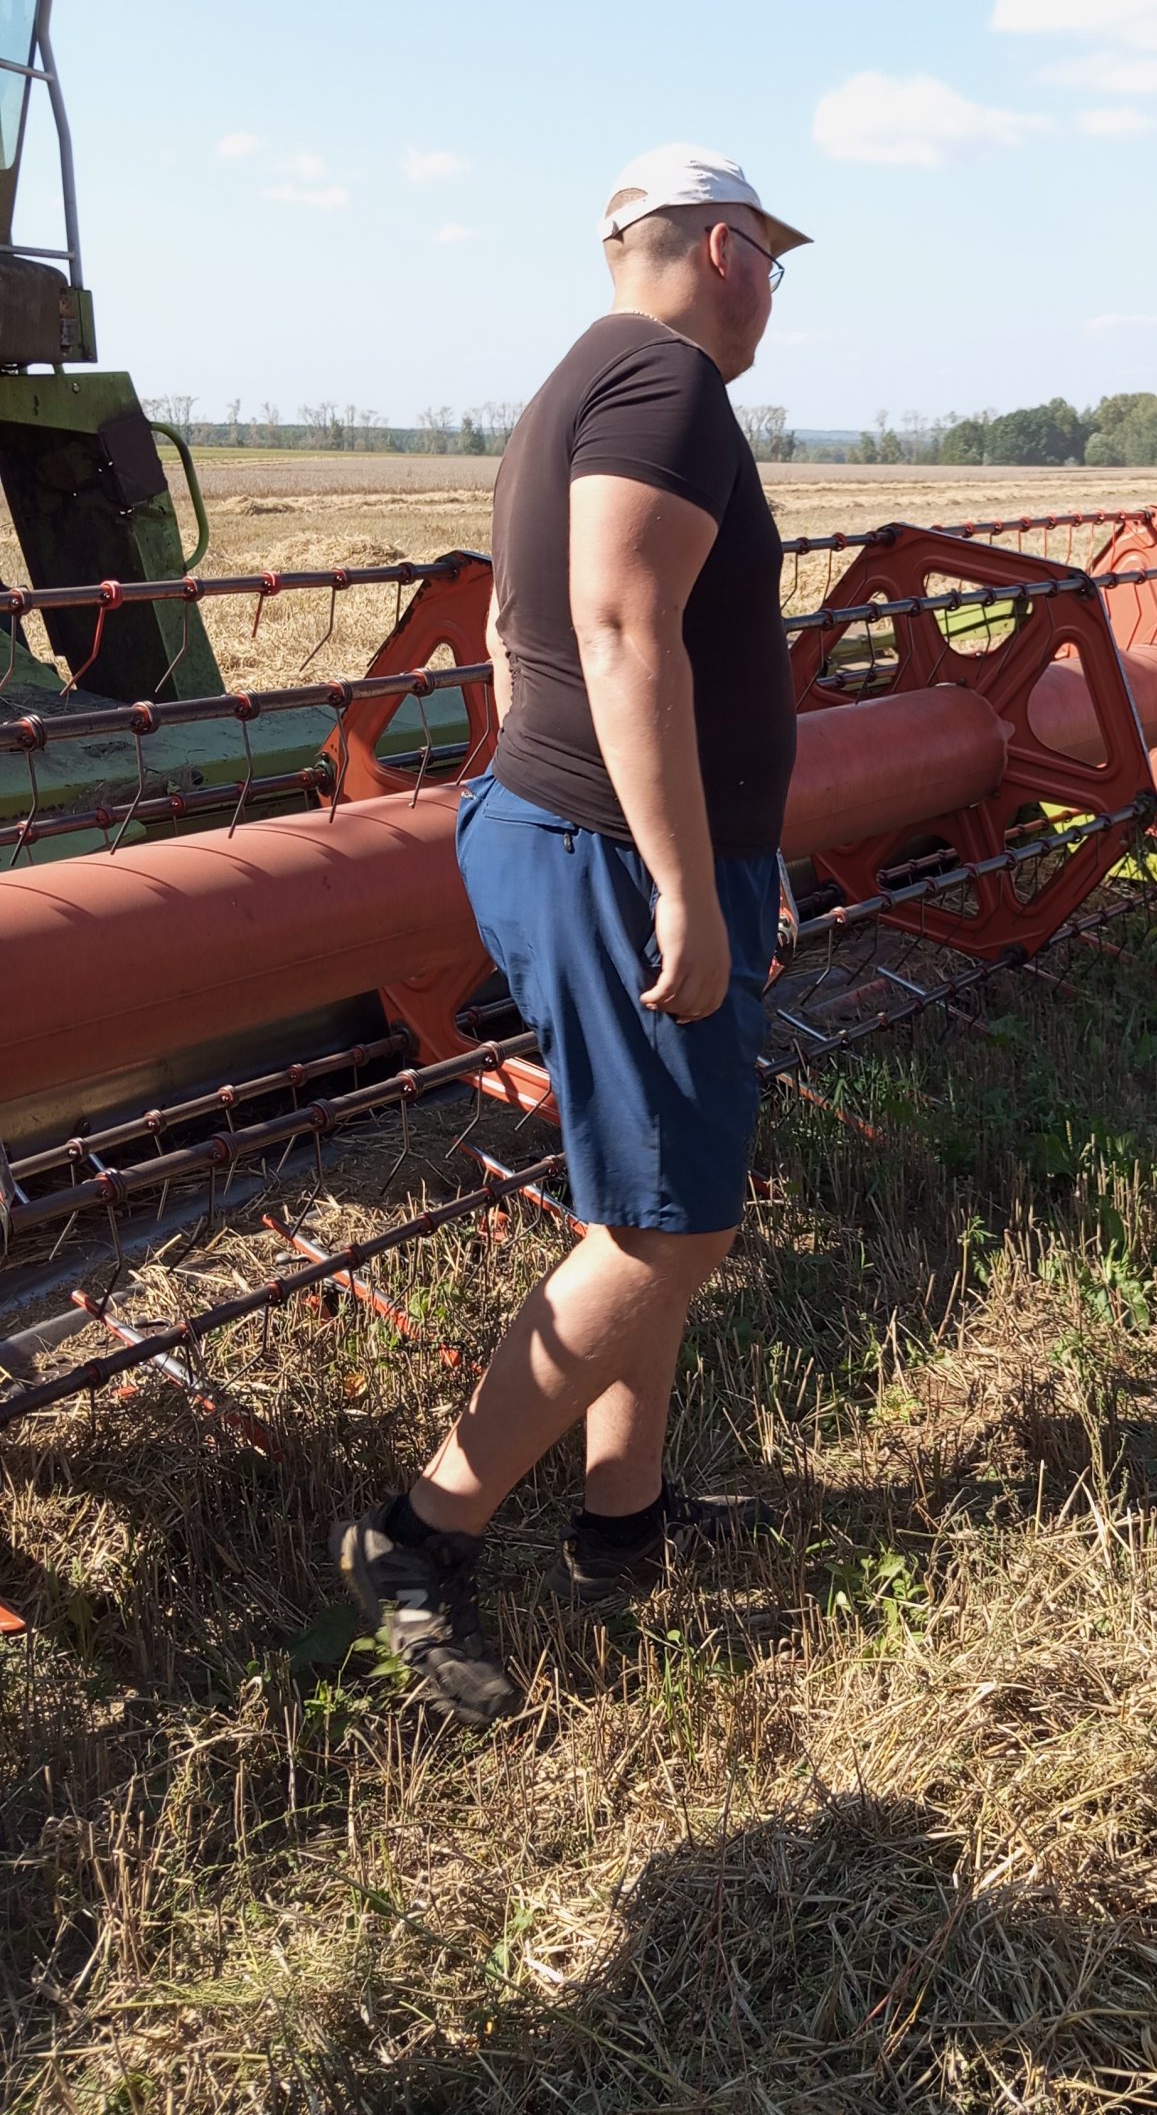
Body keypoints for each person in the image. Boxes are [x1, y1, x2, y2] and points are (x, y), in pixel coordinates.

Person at [335, 143, 808, 1723]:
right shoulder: (667, 383)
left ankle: (623, 1522)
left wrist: (734, 857)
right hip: (611, 852)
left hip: (602, 836)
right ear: (724, 247)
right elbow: (617, 627)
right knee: (677, 1228)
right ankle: (419, 1531)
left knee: (647, 1199)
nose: (778, 294)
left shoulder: (573, 386)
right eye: (776, 261)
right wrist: (684, 881)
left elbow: (513, 632)